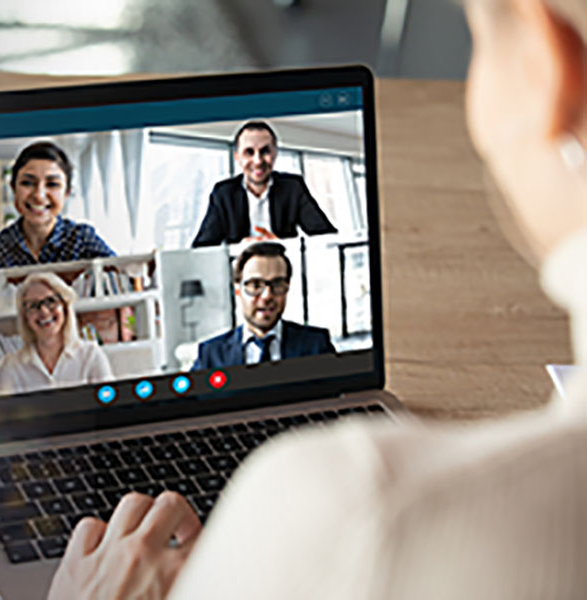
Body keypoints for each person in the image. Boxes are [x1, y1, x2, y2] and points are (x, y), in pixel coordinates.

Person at [47, 0, 587, 598]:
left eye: (276, 284)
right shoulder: (214, 294)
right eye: (248, 152)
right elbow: (199, 244)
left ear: (545, 63)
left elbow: (325, 232)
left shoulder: (355, 506)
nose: (266, 296)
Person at [0, 141, 115, 271]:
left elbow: (124, 280)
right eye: (27, 183)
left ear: (67, 192)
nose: (39, 196)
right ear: (13, 188)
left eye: (52, 184)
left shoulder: (82, 240)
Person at [191, 121, 337, 247]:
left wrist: (281, 245)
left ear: (275, 153)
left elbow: (327, 237)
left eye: (265, 151)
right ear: (237, 157)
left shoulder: (293, 187)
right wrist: (240, 249)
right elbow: (202, 248)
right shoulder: (223, 193)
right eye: (249, 152)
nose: (258, 161)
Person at [192, 242, 335, 370]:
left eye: (277, 284)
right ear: (237, 290)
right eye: (255, 285)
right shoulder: (210, 353)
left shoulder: (316, 344)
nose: (267, 296)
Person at [0, 272, 114, 395]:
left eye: (51, 301)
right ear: (25, 317)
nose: (44, 311)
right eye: (33, 306)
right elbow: (4, 407)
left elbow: (109, 403)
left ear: (65, 308)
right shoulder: (12, 367)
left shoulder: (91, 355)